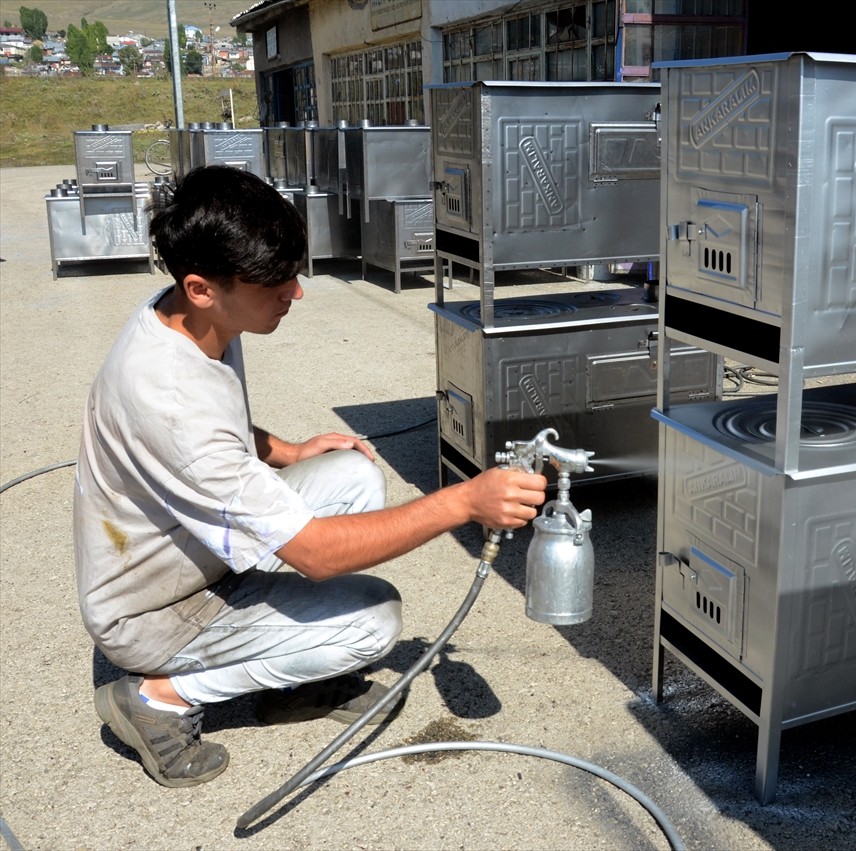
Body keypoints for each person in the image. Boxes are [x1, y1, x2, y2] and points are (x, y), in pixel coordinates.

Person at [73, 165, 547, 789]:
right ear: (201, 287)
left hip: (188, 550)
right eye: (276, 281)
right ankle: (162, 696)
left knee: (351, 475)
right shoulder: (166, 395)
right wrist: (463, 502)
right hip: (154, 610)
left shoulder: (193, 319)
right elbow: (318, 556)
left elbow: (215, 432)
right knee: (373, 621)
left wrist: (288, 451)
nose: (294, 293)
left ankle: (288, 682)